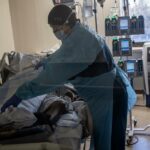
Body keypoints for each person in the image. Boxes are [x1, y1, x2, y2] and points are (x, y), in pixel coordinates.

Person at [0, 4, 136, 150]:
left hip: (109, 96)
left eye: (56, 29)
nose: (55, 32)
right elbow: (62, 53)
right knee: (107, 140)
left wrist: (20, 94)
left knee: (109, 143)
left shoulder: (79, 42)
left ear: (66, 23)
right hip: (109, 92)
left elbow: (49, 79)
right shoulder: (79, 33)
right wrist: (46, 61)